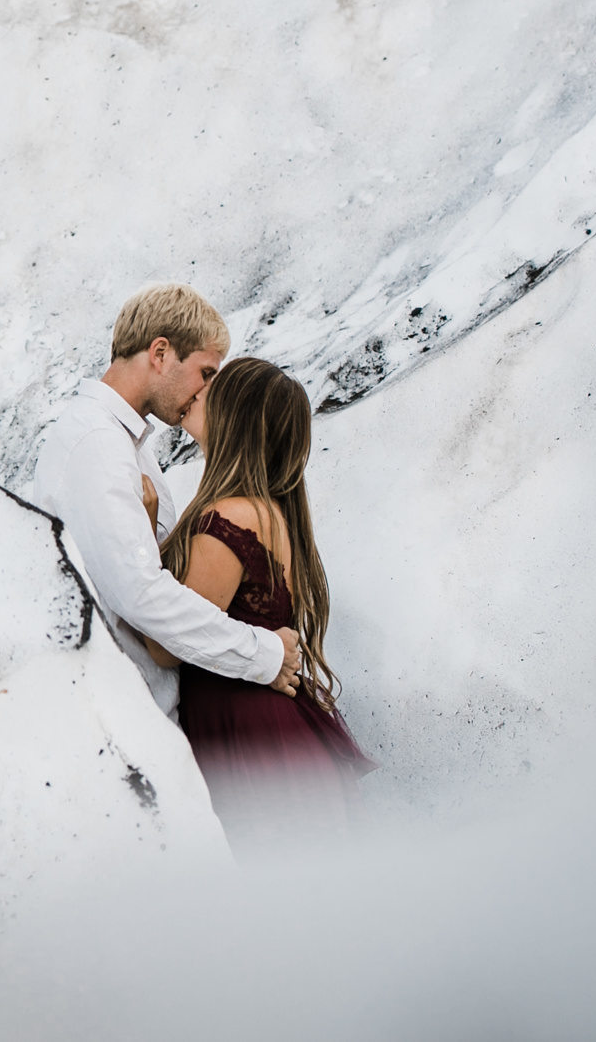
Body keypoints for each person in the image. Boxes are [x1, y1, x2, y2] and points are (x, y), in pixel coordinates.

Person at [30, 285, 303, 725]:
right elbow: (143, 595)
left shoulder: (125, 443)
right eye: (206, 373)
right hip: (126, 719)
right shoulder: (99, 444)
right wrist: (264, 655)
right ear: (160, 353)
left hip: (146, 714)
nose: (207, 392)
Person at [149, 355, 376, 837]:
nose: (198, 387)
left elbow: (166, 645)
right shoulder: (266, 511)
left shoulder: (229, 518)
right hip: (273, 734)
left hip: (252, 738)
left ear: (235, 414)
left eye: (213, 383)